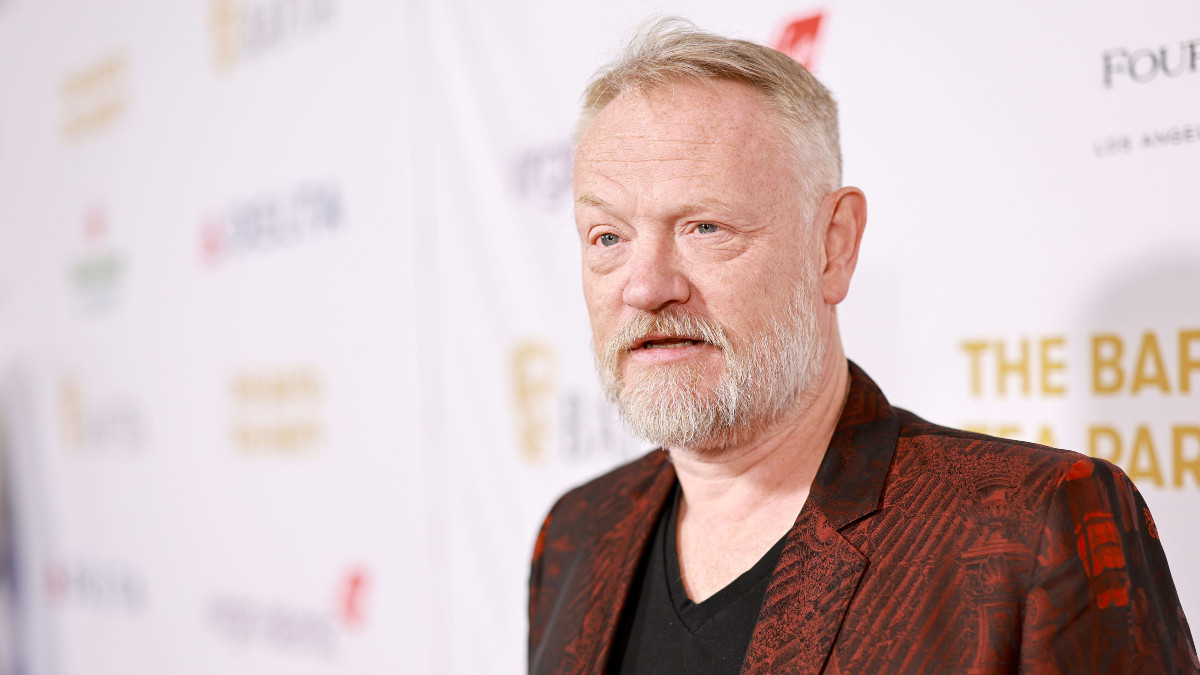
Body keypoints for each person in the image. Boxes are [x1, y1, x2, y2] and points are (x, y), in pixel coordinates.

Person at [527, 18, 1199, 675]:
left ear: (834, 244)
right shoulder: (576, 535)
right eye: (607, 237)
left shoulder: (1031, 526)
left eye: (705, 227)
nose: (646, 286)